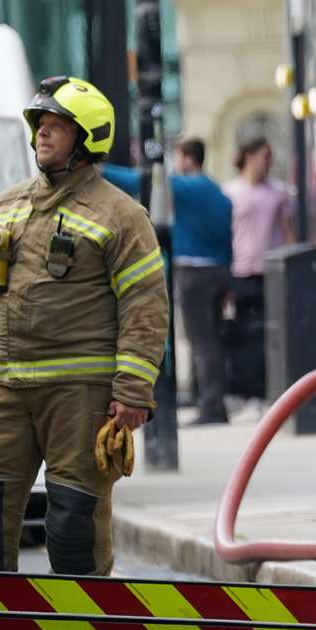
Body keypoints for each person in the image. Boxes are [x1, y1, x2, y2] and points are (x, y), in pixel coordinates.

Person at [0, 76, 169, 576]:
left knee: (73, 528)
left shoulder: (121, 217)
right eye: (40, 124)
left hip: (81, 396)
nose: (42, 133)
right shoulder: (6, 207)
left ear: (87, 139)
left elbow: (145, 307)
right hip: (6, 387)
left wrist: (133, 391)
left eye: (56, 126)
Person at [102, 138, 234, 423]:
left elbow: (141, 181)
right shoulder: (217, 191)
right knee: (210, 339)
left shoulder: (188, 187)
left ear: (187, 159)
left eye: (179, 157)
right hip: (219, 271)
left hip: (193, 272)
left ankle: (211, 406)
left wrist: (99, 170)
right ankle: (208, 399)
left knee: (201, 340)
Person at [223, 137, 293, 400]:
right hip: (240, 272)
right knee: (242, 332)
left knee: (271, 331)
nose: (270, 163)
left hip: (270, 273)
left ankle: (268, 387)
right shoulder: (229, 192)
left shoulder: (278, 192)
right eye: (266, 157)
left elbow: (288, 232)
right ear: (250, 157)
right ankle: (246, 388)